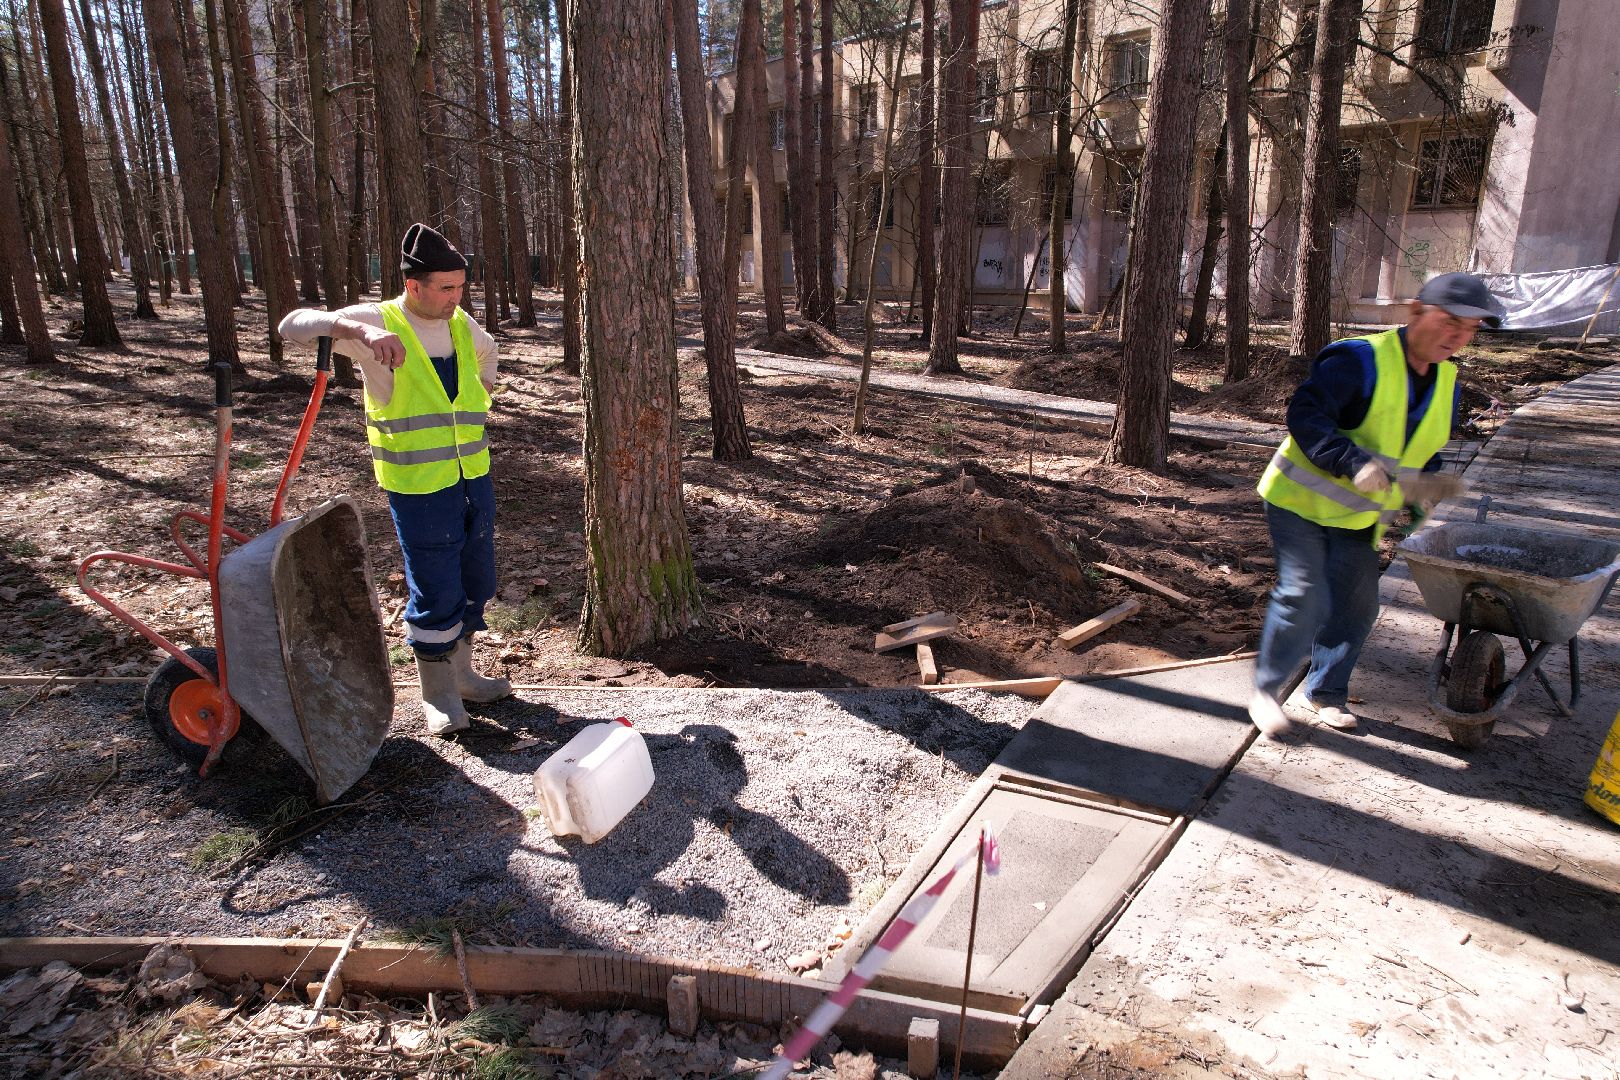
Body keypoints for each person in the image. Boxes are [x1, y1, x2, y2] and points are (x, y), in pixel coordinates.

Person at [1248, 272, 1507, 738]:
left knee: (1358, 606)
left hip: (1359, 516)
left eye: (1469, 329)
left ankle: (1325, 692)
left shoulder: (1448, 381)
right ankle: (1265, 693)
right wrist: (1352, 461)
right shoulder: (1359, 359)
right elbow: (1305, 416)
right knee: (1302, 593)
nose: (1457, 336)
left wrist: (1427, 483)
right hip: (1298, 502)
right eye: (1449, 321)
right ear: (1415, 312)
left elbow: (1420, 443)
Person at [278, 223, 509, 736]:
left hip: (473, 475)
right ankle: (439, 694)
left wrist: (484, 385)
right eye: (446, 288)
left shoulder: (460, 325)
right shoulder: (378, 321)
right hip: (418, 485)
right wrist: (357, 333)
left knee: (477, 578)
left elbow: (488, 351)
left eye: (460, 286)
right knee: (435, 583)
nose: (456, 297)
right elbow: (291, 324)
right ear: (413, 286)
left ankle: (464, 673)